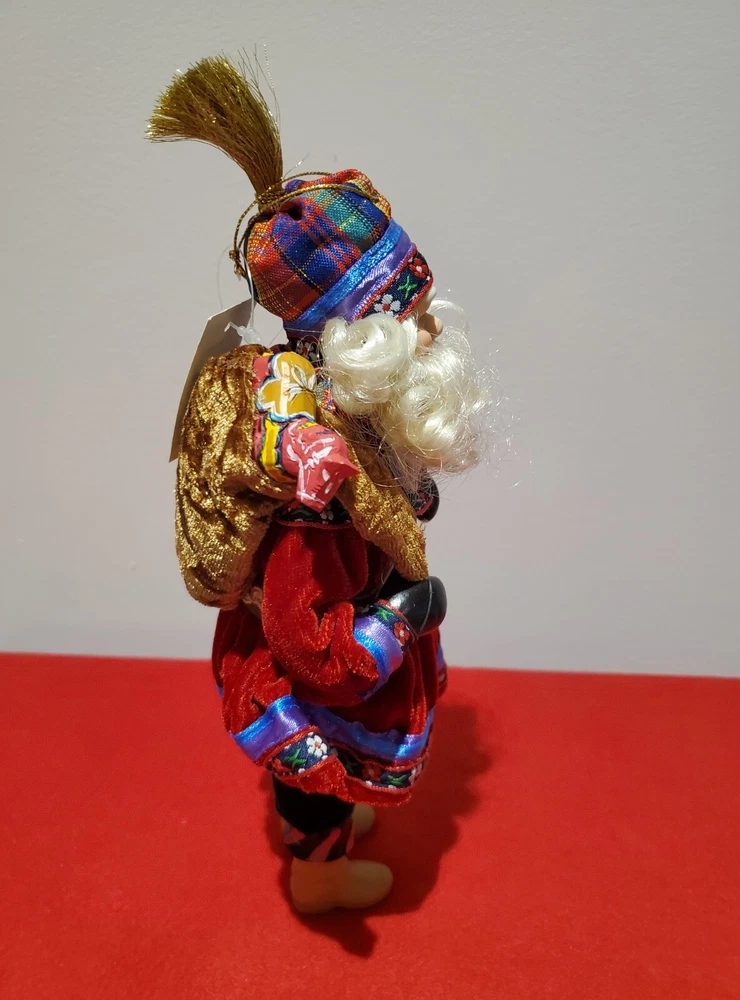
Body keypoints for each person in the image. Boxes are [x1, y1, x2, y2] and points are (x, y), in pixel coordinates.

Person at [149, 55, 485, 913]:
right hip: (318, 686)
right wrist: (400, 620)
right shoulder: (318, 497)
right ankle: (319, 876)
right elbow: (308, 648)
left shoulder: (364, 432)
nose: (430, 332)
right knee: (314, 783)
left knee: (340, 774)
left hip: (354, 655)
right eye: (410, 320)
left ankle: (339, 818)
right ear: (359, 344)